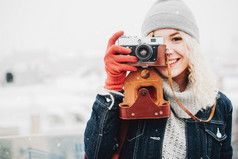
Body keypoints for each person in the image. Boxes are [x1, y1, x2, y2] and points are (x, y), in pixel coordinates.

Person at [84, 0, 233, 158]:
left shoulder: (218, 105)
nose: (167, 50)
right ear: (145, 48)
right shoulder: (130, 97)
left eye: (176, 39)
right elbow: (95, 153)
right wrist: (113, 86)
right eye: (157, 42)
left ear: (192, 45)